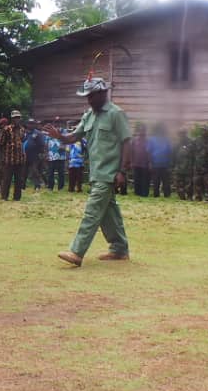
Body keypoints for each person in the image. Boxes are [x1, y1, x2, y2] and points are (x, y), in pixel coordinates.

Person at [44, 77, 131, 267]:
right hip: (96, 173)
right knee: (109, 213)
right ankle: (119, 249)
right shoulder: (88, 116)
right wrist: (60, 136)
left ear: (102, 94)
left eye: (91, 96)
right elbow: (74, 136)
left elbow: (126, 142)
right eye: (87, 96)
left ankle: (77, 251)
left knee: (92, 212)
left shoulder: (116, 114)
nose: (88, 100)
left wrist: (122, 171)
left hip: (109, 173)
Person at [0, 111, 26, 200]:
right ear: (12, 119)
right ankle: (4, 197)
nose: (17, 119)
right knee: (7, 179)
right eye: (15, 117)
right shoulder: (6, 129)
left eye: (18, 117)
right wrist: (1, 158)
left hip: (19, 159)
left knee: (19, 180)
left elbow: (22, 141)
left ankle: (17, 197)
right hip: (8, 159)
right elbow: (0, 143)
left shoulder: (22, 129)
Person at [191, 126, 208, 202]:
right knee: (197, 182)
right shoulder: (196, 140)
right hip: (198, 166)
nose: (203, 132)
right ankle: (197, 197)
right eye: (202, 130)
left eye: (205, 130)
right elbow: (192, 151)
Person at [147, 123, 173, 197]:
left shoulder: (167, 139)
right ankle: (156, 195)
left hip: (165, 164)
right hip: (155, 164)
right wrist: (150, 163)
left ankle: (167, 195)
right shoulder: (152, 139)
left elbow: (170, 152)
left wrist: (170, 163)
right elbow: (148, 152)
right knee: (156, 181)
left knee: (166, 181)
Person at [46, 119, 69, 191]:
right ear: (53, 123)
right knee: (50, 173)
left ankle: (61, 187)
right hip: (51, 156)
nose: (57, 123)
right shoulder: (49, 131)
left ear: (61, 123)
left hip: (61, 156)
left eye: (59, 122)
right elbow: (46, 142)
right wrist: (46, 153)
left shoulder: (64, 131)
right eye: (56, 122)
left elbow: (67, 140)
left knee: (61, 173)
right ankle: (50, 187)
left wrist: (63, 146)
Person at [24, 119, 46, 192]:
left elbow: (42, 144)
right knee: (24, 171)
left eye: (32, 123)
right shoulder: (24, 133)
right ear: (27, 124)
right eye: (29, 123)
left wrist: (41, 153)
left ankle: (37, 185)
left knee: (34, 170)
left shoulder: (38, 133)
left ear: (34, 124)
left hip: (35, 155)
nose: (30, 125)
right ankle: (22, 186)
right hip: (25, 155)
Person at [129, 123, 150, 196]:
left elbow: (149, 152)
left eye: (143, 131)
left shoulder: (148, 141)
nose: (142, 132)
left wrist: (150, 162)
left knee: (144, 180)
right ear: (138, 131)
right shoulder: (134, 140)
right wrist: (131, 162)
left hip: (145, 164)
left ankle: (144, 193)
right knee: (137, 179)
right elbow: (131, 151)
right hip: (136, 163)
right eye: (140, 130)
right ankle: (137, 193)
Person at [172, 129, 192, 199]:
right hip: (179, 167)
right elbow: (173, 155)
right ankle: (182, 197)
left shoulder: (191, 143)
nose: (181, 135)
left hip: (188, 167)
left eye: (183, 134)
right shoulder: (177, 144)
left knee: (188, 184)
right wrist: (173, 165)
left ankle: (189, 196)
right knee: (179, 183)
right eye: (180, 134)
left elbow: (194, 155)